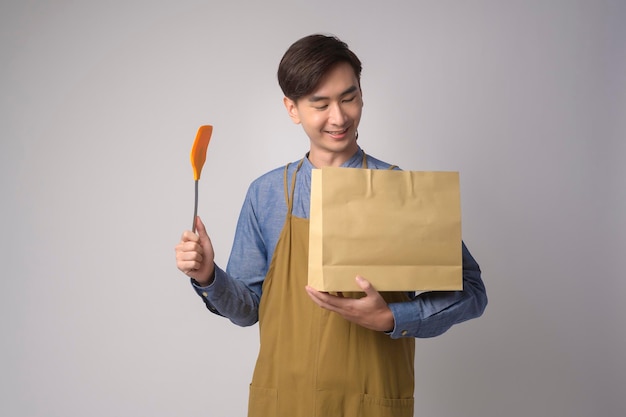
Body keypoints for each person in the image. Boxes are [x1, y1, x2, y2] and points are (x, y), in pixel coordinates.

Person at [175, 34, 487, 417]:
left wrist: (394, 317)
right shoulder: (267, 193)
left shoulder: (400, 189)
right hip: (286, 402)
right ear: (292, 109)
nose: (338, 117)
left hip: (372, 403)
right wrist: (208, 276)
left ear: (361, 95)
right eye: (319, 104)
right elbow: (248, 310)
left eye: (348, 98)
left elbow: (472, 291)